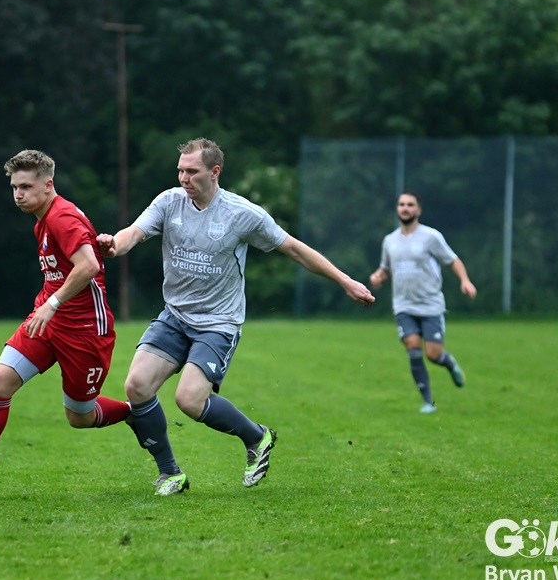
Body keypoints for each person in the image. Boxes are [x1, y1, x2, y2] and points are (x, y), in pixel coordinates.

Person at [97, 138, 375, 496]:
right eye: (180, 170)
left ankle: (256, 437)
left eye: (192, 171)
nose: (183, 178)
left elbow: (294, 249)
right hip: (175, 317)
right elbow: (134, 232)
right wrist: (114, 245)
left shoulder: (242, 214)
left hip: (217, 324)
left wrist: (345, 281)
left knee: (189, 400)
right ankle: (170, 474)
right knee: (136, 386)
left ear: (215, 172)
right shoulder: (168, 202)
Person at [0, 149, 131, 496]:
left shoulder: (61, 217)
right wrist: (48, 307)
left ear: (48, 185)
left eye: (25, 186)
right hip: (47, 323)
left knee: (80, 416)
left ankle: (134, 412)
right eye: (14, 187)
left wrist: (52, 304)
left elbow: (89, 266)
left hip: (84, 330)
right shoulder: (43, 219)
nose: (18, 194)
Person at [369, 191, 477, 414]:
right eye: (401, 204)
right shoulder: (389, 241)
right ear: (397, 209)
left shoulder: (431, 237)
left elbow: (453, 260)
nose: (405, 208)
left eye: (410, 204)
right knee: (413, 348)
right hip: (403, 305)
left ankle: (450, 363)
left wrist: (465, 280)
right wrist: (378, 276)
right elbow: (386, 268)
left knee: (433, 354)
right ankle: (428, 401)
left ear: (418, 210)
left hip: (430, 305)